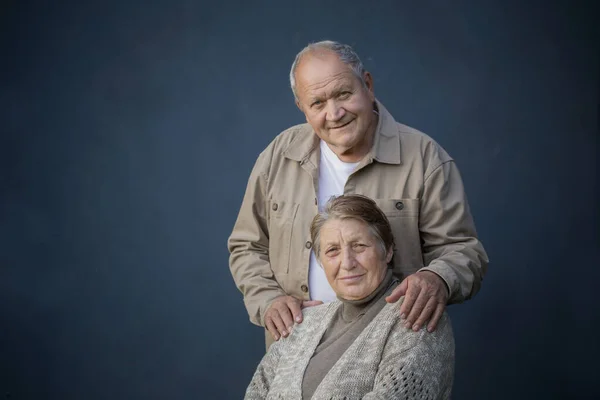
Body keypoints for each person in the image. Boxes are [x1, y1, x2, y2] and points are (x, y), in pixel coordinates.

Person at [228, 40, 489, 349]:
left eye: (343, 94)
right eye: (318, 103)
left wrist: (439, 279)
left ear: (367, 84)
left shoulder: (425, 159)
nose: (334, 113)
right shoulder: (278, 156)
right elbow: (247, 246)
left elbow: (464, 252)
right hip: (292, 352)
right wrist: (267, 299)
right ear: (302, 108)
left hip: (389, 351)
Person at [244, 195, 455, 399]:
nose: (347, 262)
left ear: (388, 251)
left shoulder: (415, 317)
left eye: (359, 246)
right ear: (320, 261)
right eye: (332, 250)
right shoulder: (302, 323)